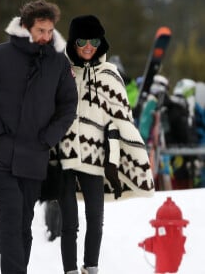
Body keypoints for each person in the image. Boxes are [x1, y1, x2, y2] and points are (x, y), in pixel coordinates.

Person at [0, 0, 78, 274]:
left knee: (24, 222)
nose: (46, 37)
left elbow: (68, 106)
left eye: (50, 31)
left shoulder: (58, 63)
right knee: (11, 216)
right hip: (0, 155)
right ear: (26, 27)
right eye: (41, 30)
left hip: (34, 157)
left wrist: (48, 138)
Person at [56, 15, 154, 274]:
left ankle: (91, 268)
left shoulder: (110, 75)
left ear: (102, 42)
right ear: (72, 42)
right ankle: (69, 270)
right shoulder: (61, 72)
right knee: (68, 222)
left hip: (96, 159)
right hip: (64, 156)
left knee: (95, 220)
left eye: (94, 41)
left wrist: (115, 161)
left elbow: (122, 121)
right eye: (82, 41)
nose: (88, 46)